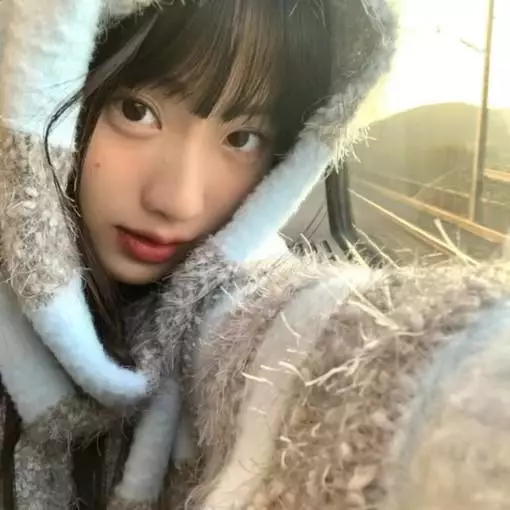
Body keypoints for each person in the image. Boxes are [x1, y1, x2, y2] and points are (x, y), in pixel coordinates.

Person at [0, 0, 397, 508]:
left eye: (241, 138)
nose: (178, 201)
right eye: (137, 111)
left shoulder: (240, 293)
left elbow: (317, 334)